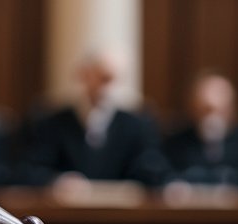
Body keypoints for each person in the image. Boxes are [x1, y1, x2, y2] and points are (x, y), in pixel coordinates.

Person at [15, 49, 169, 187]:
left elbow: (152, 169)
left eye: (117, 80)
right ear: (84, 75)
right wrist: (57, 180)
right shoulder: (52, 122)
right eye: (104, 78)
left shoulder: (137, 125)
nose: (110, 88)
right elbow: (29, 170)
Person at [161, 70, 238, 188]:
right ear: (194, 107)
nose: (213, 117)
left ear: (232, 109)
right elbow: (166, 177)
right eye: (206, 109)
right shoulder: (177, 144)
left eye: (221, 110)